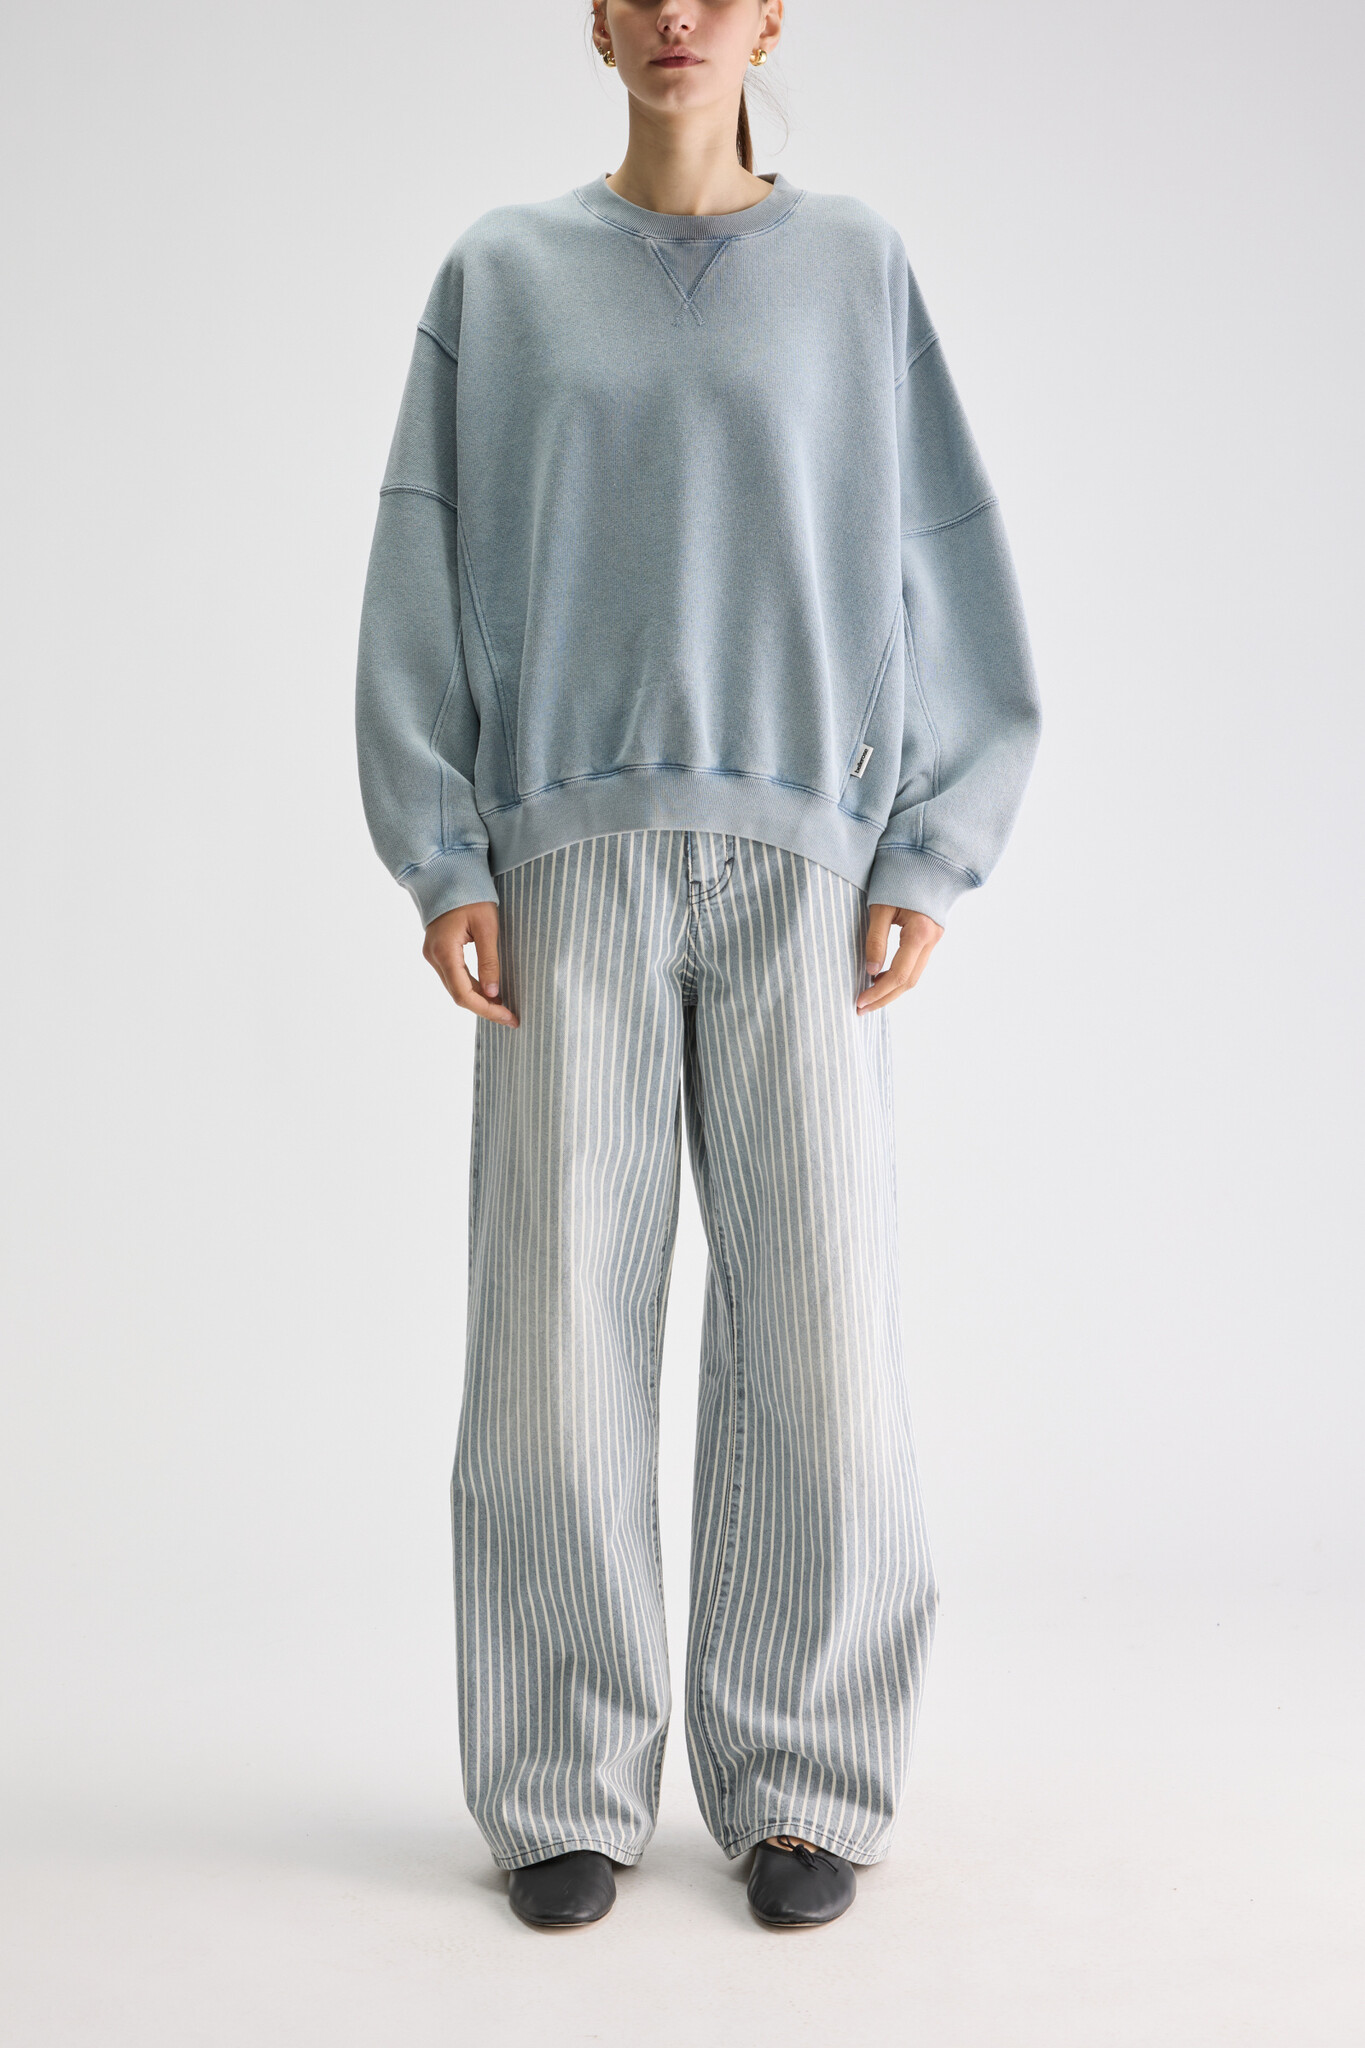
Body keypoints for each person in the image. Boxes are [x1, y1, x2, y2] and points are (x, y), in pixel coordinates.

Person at [355, 0, 1039, 1933]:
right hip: (558, 858)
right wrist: (440, 848)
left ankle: (802, 1778)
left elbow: (943, 554)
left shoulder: (855, 268)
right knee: (554, 1327)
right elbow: (418, 563)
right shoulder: (500, 277)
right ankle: (560, 1782)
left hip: (805, 868)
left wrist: (934, 839)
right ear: (595, 20)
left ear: (769, 19)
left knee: (816, 1328)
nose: (678, 17)